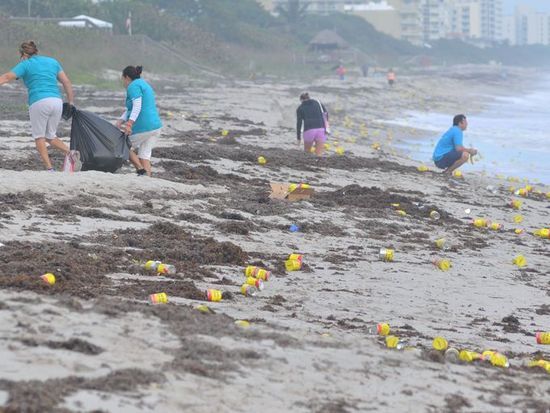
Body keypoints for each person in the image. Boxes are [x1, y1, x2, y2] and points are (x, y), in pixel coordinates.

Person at [0, 40, 73, 171]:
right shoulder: (52, 61)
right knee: (50, 136)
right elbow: (66, 82)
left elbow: (6, 77)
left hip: (39, 102)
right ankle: (71, 153)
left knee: (39, 136)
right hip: (57, 101)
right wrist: (71, 102)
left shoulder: (25, 64)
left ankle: (49, 168)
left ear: (23, 54)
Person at [116, 65, 162, 177]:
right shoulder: (144, 84)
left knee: (122, 144)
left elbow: (137, 106)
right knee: (144, 155)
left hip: (144, 126)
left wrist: (129, 124)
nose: (123, 82)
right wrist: (121, 120)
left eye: (123, 79)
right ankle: (146, 179)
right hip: (156, 127)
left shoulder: (133, 86)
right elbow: (131, 108)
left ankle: (140, 169)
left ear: (126, 77)